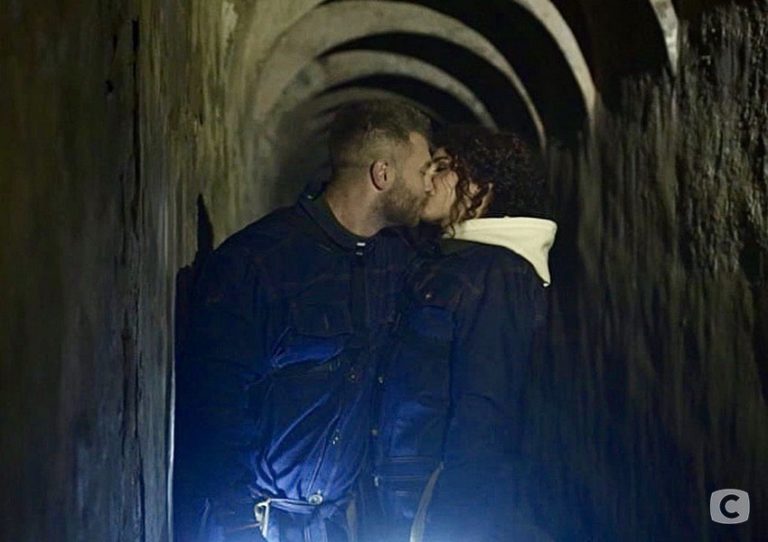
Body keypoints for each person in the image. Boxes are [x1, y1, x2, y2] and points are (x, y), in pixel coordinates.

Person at [174, 100, 434, 542]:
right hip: (257, 523)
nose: (429, 184)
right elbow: (215, 401)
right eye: (423, 170)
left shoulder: (393, 262)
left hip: (332, 524)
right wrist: (239, 525)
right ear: (383, 174)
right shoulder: (261, 261)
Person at [370, 126, 558, 541]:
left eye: (441, 168)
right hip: (404, 498)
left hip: (433, 507)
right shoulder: (448, 261)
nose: (427, 179)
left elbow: (485, 407)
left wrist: (452, 518)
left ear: (480, 188)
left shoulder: (498, 273)